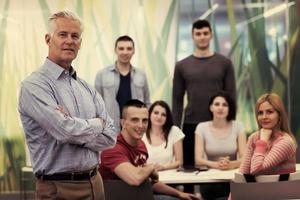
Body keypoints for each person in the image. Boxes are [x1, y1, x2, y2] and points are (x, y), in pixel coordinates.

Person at [18, 11, 118, 200]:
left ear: (80, 43)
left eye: (75, 36)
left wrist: (74, 126)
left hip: (96, 182)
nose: (70, 41)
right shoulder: (34, 86)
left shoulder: (87, 88)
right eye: (63, 34)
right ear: (48, 39)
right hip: (58, 188)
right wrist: (97, 124)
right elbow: (66, 131)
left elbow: (111, 136)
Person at [99, 99, 199, 200]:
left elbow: (150, 183)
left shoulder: (141, 145)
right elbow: (136, 178)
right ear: (123, 123)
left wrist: (179, 193)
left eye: (145, 120)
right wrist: (151, 168)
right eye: (135, 120)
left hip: (139, 195)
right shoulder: (112, 148)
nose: (141, 125)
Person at [172, 19, 236, 169]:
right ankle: (189, 194)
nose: (202, 36)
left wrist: (231, 123)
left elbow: (231, 97)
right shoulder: (182, 66)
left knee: (220, 167)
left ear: (211, 35)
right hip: (191, 123)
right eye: (198, 33)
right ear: (192, 36)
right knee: (189, 168)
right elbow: (177, 100)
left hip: (218, 124)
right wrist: (174, 130)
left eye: (205, 33)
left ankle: (221, 194)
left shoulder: (225, 63)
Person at [194, 91, 246, 200]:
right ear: (211, 107)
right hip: (209, 179)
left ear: (229, 108)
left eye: (224, 104)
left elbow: (245, 158)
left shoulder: (238, 126)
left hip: (231, 178)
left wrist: (231, 164)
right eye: (217, 104)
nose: (220, 108)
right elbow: (198, 160)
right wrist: (216, 165)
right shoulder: (201, 127)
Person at [95, 35, 151, 131]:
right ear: (115, 50)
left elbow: (147, 103)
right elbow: (97, 104)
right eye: (121, 48)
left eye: (129, 49)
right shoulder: (102, 74)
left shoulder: (141, 74)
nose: (125, 52)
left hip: (136, 128)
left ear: (133, 51)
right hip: (111, 128)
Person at [239, 93, 297, 175]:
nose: (264, 117)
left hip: (280, 187)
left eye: (269, 112)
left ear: (279, 116)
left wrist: (262, 141)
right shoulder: (253, 138)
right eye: (260, 113)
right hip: (257, 187)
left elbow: (255, 169)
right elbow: (243, 172)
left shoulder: (286, 142)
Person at [143, 100, 184, 171]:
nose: (159, 117)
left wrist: (163, 167)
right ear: (149, 114)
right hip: (146, 177)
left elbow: (179, 162)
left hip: (171, 177)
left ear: (167, 118)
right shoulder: (141, 133)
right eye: (156, 113)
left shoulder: (174, 131)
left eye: (163, 115)